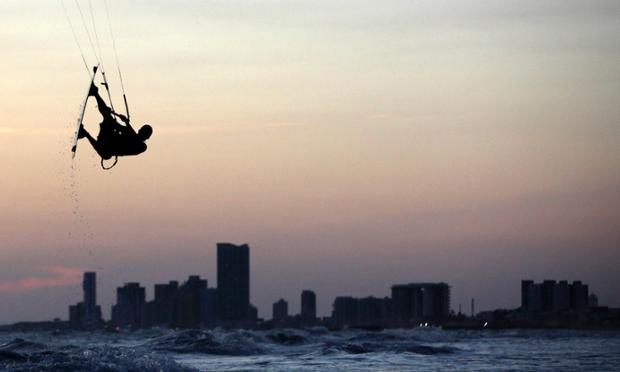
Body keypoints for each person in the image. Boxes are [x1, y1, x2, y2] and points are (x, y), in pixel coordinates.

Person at [78, 83, 152, 160]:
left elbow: (134, 140)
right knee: (108, 117)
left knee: (105, 155)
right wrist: (109, 114)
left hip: (107, 148)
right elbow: (118, 127)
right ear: (139, 130)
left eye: (144, 134)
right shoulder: (129, 132)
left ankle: (84, 133)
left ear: (147, 137)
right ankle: (95, 93)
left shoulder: (142, 147)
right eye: (142, 131)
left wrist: (126, 122)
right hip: (107, 138)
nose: (141, 134)